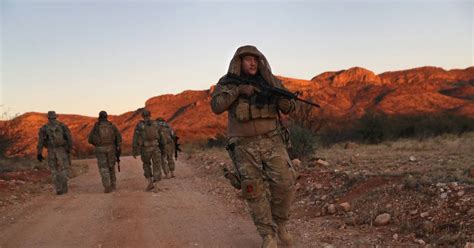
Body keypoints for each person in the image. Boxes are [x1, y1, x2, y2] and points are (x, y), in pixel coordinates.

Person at [211, 45, 297, 248]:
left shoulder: (271, 81)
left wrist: (283, 101)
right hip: (243, 145)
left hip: (272, 140)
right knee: (253, 191)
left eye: (255, 59)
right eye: (247, 59)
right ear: (238, 62)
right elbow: (216, 106)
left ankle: (281, 225)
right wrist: (239, 90)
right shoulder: (227, 83)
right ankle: (267, 236)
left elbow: (292, 106)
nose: (252, 63)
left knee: (285, 183)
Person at [37, 111, 73, 195]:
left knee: (54, 170)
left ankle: (58, 188)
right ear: (56, 117)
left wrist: (39, 153)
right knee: (64, 168)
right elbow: (69, 138)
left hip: (51, 151)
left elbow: (40, 142)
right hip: (62, 150)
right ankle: (64, 187)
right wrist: (69, 148)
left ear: (48, 117)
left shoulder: (44, 128)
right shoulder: (62, 126)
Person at [88, 111, 122, 193]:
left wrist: (97, 144)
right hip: (111, 148)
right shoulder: (111, 126)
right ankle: (113, 184)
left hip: (100, 149)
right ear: (106, 117)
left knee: (103, 168)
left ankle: (107, 186)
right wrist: (118, 148)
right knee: (111, 167)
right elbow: (119, 138)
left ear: (99, 117)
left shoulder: (96, 127)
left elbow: (90, 139)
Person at [132, 109, 163, 192]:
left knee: (146, 164)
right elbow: (161, 135)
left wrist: (134, 149)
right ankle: (157, 186)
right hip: (155, 147)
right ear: (150, 115)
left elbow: (135, 138)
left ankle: (150, 183)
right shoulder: (156, 123)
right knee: (157, 165)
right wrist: (162, 146)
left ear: (142, 116)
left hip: (145, 148)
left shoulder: (139, 125)